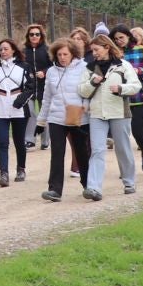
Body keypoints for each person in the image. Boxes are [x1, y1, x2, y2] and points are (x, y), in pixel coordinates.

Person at [80, 36, 141, 199]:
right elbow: (82, 91)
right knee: (97, 150)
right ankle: (94, 188)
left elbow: (136, 86)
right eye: (92, 50)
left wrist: (121, 88)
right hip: (97, 114)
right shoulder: (90, 68)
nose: (94, 54)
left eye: (96, 50)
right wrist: (93, 83)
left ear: (107, 47)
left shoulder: (123, 66)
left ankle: (129, 182)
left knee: (122, 148)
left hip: (119, 112)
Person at [38, 40, 90, 202]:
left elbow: (90, 91)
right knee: (57, 153)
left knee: (81, 152)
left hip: (78, 116)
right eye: (59, 54)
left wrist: (85, 107)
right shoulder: (52, 72)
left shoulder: (84, 67)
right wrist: (41, 121)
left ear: (73, 53)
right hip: (56, 118)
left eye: (65, 54)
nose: (62, 57)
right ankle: (54, 190)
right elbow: (47, 97)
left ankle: (89, 184)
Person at [0, 38, 30, 188]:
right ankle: (3, 173)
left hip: (18, 109)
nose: (3, 51)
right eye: (1, 49)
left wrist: (20, 100)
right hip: (0, 108)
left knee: (19, 141)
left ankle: (21, 169)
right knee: (2, 142)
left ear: (13, 50)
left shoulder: (24, 67)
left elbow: (30, 87)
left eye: (6, 49)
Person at [113, 26, 143, 173]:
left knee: (138, 131)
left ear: (128, 36)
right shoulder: (113, 54)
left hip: (137, 97)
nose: (119, 41)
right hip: (118, 99)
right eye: (116, 39)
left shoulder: (141, 50)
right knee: (121, 136)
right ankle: (125, 168)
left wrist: (140, 71)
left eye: (121, 37)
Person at [21, 24, 53, 150]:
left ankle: (45, 141)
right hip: (28, 86)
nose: (34, 36)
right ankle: (30, 140)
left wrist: (44, 72)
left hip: (44, 86)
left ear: (41, 36)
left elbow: (53, 65)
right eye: (31, 34)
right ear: (28, 36)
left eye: (37, 34)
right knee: (30, 112)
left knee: (44, 113)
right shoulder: (24, 51)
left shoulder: (47, 49)